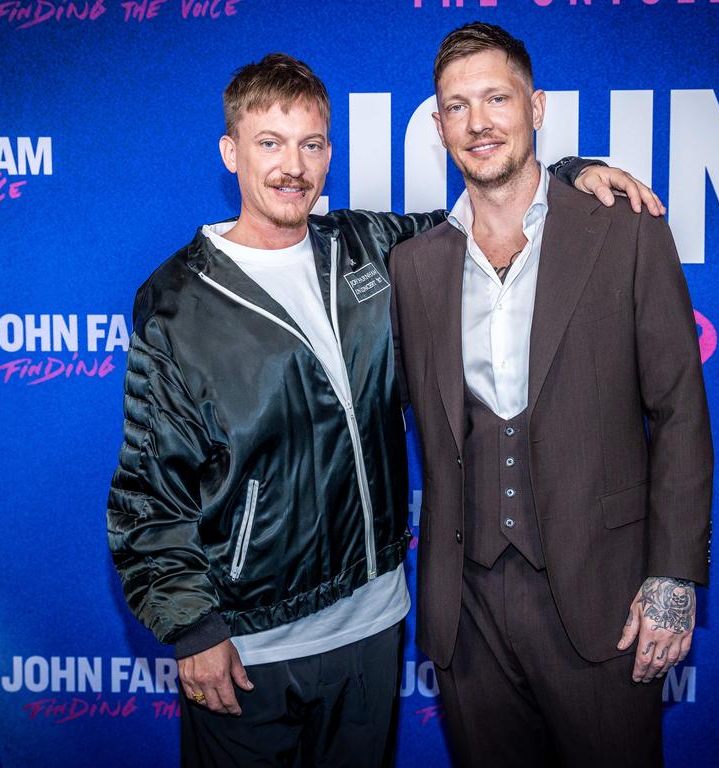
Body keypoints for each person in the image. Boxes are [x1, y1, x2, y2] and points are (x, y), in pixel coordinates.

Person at [106, 52, 664, 767]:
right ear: (230, 153)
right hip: (248, 646)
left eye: (310, 144)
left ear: (328, 155)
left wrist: (565, 172)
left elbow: (485, 209)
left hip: (371, 627)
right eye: (269, 144)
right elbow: (149, 491)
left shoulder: (368, 247)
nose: (291, 166)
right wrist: (192, 629)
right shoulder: (178, 302)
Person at [389, 23, 713, 767]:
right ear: (438, 127)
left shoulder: (624, 232)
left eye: (497, 98)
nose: (479, 122)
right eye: (457, 106)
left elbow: (680, 410)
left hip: (603, 600)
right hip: (466, 613)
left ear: (535, 108)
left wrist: (671, 579)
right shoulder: (414, 264)